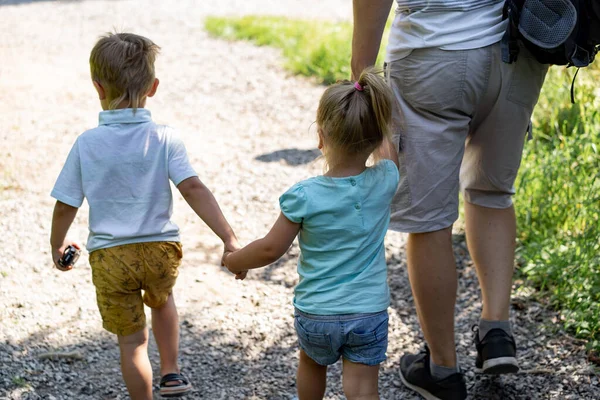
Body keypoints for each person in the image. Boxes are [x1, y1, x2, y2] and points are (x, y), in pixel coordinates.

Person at [351, 1, 549, 399]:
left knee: (429, 221)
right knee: (492, 193)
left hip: (434, 55)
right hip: (519, 50)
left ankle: (442, 368)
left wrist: (361, 81)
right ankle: (496, 329)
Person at [49, 32, 240, 400]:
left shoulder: (86, 143)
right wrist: (227, 237)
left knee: (132, 342)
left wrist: (58, 243)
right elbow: (193, 189)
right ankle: (171, 371)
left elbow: (65, 203)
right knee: (163, 301)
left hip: (110, 257)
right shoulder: (165, 137)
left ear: (97, 87)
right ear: (152, 87)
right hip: (159, 250)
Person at [223, 69, 399, 400]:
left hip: (318, 313)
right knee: (362, 387)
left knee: (312, 365)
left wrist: (234, 260)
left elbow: (269, 249)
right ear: (377, 138)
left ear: (320, 137)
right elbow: (387, 150)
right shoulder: (386, 178)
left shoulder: (305, 195)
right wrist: (379, 121)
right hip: (368, 311)